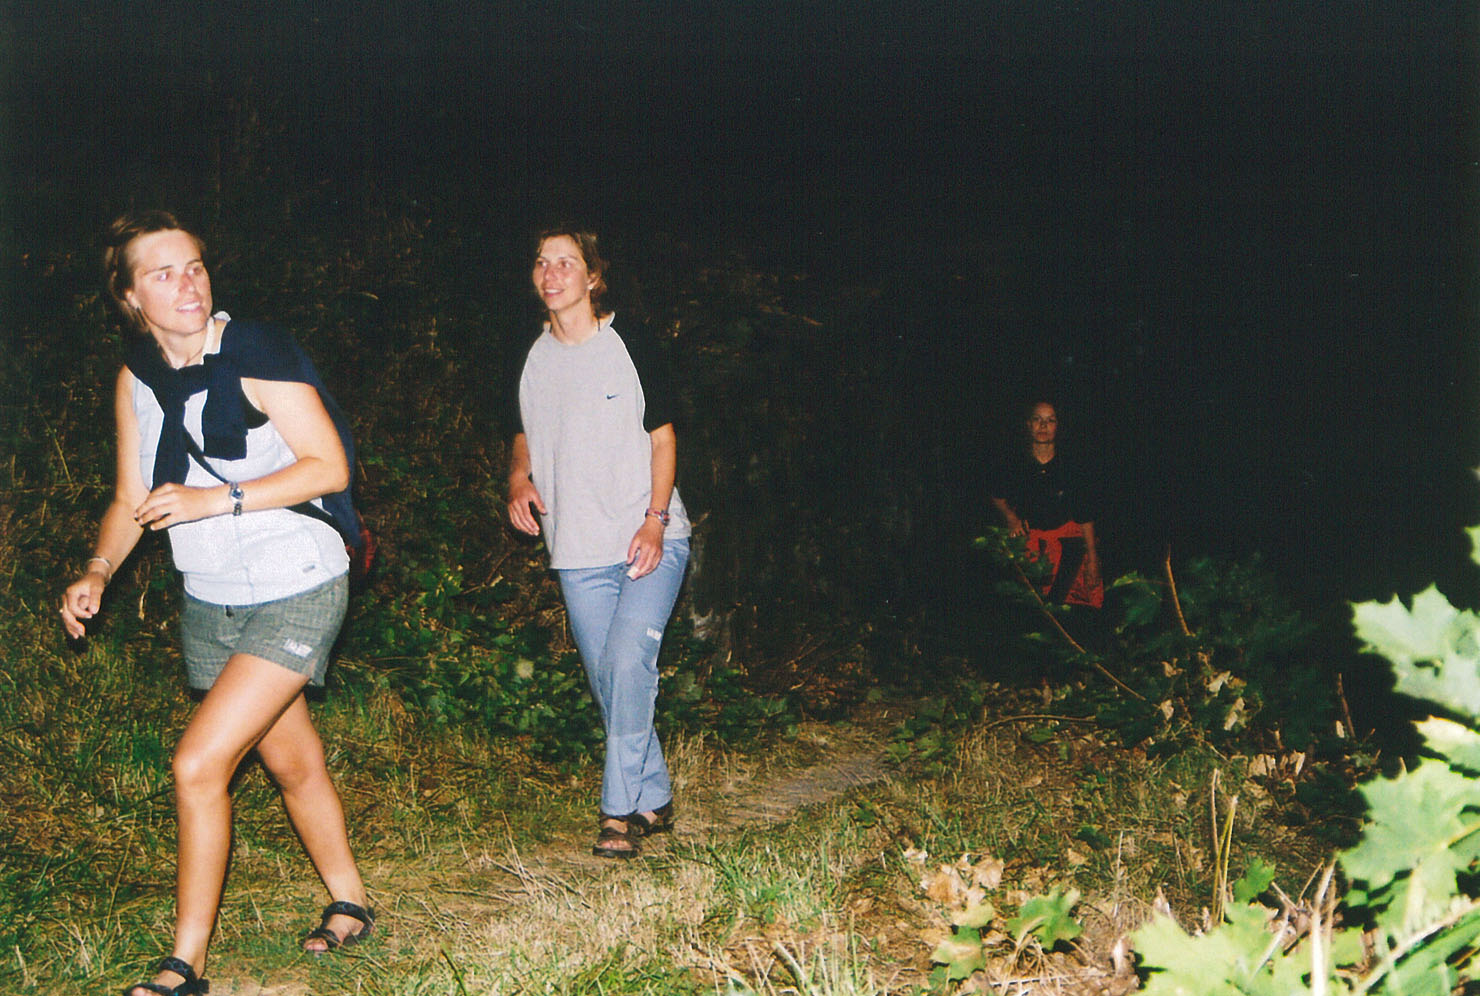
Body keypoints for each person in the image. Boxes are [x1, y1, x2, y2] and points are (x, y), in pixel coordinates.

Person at [60, 211, 373, 996]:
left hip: (297, 578)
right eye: (163, 273)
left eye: (194, 266)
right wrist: (98, 569)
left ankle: (185, 965)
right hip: (212, 596)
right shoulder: (138, 377)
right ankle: (351, 900)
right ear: (130, 297)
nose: (187, 284)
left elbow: (328, 466)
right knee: (291, 760)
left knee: (197, 765)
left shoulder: (256, 353)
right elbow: (131, 497)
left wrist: (215, 500)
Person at [505, 226, 691, 859]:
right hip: (576, 547)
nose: (552, 273)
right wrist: (518, 478)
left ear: (592, 277)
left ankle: (617, 812)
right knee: (609, 680)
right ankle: (654, 795)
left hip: (650, 535)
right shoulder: (532, 357)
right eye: (542, 262)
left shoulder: (629, 344)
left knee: (628, 662)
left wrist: (655, 519)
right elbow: (523, 431)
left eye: (567, 262)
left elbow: (663, 438)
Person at [990, 400, 1104, 608]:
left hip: (1067, 546)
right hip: (1029, 546)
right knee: (1028, 608)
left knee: (1060, 609)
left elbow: (1085, 514)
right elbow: (997, 495)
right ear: (1028, 424)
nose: (1043, 426)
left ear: (1057, 426)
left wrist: (1092, 559)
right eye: (1038, 419)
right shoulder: (1015, 463)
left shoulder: (1071, 466)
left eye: (1050, 420)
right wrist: (1011, 517)